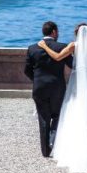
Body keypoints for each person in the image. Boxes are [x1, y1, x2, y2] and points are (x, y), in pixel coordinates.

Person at [38, 23, 87, 173]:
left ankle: (75, 148)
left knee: (75, 112)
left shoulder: (74, 45)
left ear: (76, 33)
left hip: (77, 83)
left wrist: (44, 46)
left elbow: (58, 57)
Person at [24, 21, 74, 157]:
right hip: (57, 87)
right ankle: (53, 140)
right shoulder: (61, 47)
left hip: (39, 88)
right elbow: (72, 65)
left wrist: (37, 81)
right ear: (54, 32)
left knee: (43, 118)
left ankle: (45, 151)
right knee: (58, 115)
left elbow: (27, 70)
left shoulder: (32, 48)